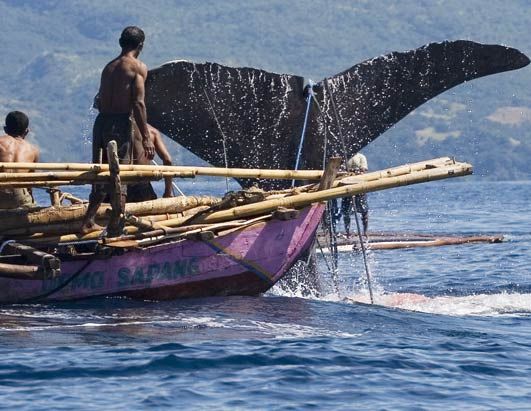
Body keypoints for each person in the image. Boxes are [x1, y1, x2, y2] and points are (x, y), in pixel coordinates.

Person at [80, 26, 155, 234]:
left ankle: (88, 220)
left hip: (101, 122)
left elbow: (98, 100)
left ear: (120, 43)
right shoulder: (137, 67)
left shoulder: (109, 67)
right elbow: (139, 103)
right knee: (119, 173)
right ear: (141, 45)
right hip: (119, 123)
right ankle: (117, 224)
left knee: (100, 172)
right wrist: (147, 137)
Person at [0, 111, 39, 208]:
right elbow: (30, 183)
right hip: (19, 198)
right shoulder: (33, 150)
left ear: (5, 129)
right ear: (26, 131)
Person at [127, 124, 174, 202]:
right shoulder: (152, 132)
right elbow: (168, 160)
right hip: (143, 187)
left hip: (122, 185)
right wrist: (168, 192)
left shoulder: (119, 129)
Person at [341, 152, 369, 237]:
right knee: (346, 212)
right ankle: (347, 231)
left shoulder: (361, 157)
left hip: (360, 186)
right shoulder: (344, 158)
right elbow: (341, 170)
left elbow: (363, 169)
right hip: (347, 186)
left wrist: (351, 171)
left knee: (364, 211)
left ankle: (365, 232)